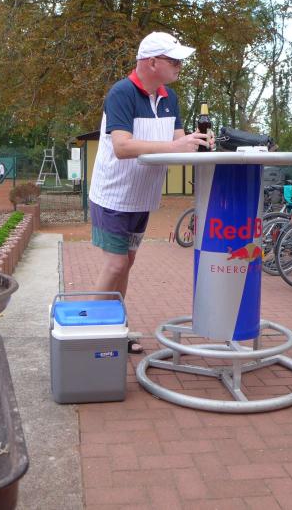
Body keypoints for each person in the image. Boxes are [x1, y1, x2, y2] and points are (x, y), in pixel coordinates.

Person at [88, 31, 211, 354]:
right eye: (174, 60)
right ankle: (90, 336)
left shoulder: (170, 98)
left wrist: (197, 143)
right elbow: (122, 146)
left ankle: (116, 326)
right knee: (115, 265)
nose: (180, 66)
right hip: (113, 195)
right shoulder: (122, 93)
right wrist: (175, 145)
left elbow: (179, 142)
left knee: (126, 263)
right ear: (152, 62)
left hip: (142, 198)